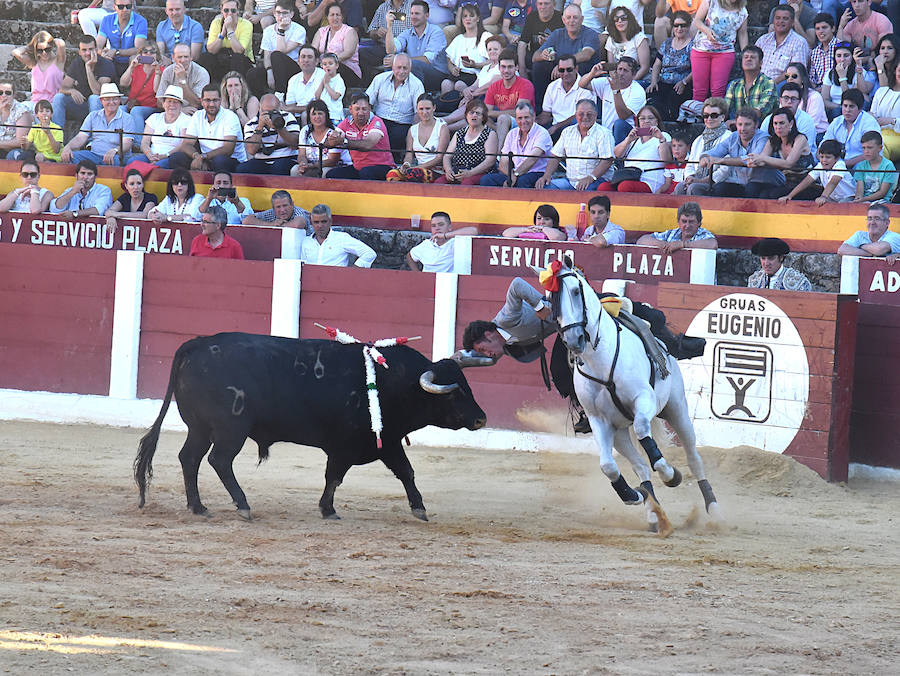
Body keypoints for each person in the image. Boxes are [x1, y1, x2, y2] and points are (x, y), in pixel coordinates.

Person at [462, 275, 705, 434]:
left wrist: (540, 307)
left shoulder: (505, 318)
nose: (489, 356)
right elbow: (476, 356)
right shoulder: (501, 341)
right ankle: (588, 413)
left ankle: (677, 345)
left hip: (572, 310)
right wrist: (456, 361)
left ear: (488, 334)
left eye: (484, 349)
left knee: (633, 312)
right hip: (566, 329)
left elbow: (516, 284)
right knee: (561, 371)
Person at [531, 4, 601, 111]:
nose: (571, 21)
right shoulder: (557, 34)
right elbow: (535, 56)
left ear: (582, 19)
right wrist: (543, 55)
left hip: (584, 74)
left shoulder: (590, 34)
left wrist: (562, 65)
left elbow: (586, 54)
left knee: (579, 66)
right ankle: (541, 111)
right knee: (539, 66)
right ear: (563, 20)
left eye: (575, 17)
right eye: (568, 17)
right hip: (561, 71)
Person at [535, 98, 614, 190]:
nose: (585, 117)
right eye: (581, 114)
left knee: (586, 190)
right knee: (545, 187)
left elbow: (607, 161)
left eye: (589, 114)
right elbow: (555, 157)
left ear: (596, 115)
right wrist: (547, 175)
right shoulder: (567, 132)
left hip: (596, 180)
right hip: (570, 181)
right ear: (576, 115)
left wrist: (591, 177)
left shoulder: (604, 133)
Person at [694, 106, 771, 197]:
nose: (743, 129)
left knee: (751, 188)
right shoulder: (733, 137)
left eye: (747, 124)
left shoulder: (763, 137)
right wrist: (705, 157)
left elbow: (752, 159)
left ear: (756, 125)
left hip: (766, 184)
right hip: (742, 183)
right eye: (740, 124)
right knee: (719, 188)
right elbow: (714, 152)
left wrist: (722, 160)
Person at [171, 83, 247, 172]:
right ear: (202, 101)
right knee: (176, 158)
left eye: (215, 100)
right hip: (205, 159)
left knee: (219, 161)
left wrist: (204, 157)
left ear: (220, 101)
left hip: (231, 160)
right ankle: (186, 184)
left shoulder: (230, 116)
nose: (211, 104)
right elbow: (186, 144)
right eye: (207, 100)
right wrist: (196, 156)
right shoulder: (197, 115)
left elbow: (228, 149)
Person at [60, 83, 139, 166]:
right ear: (101, 101)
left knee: (114, 160)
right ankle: (80, 179)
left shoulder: (127, 118)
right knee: (72, 157)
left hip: (116, 156)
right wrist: (68, 146)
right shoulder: (93, 116)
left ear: (119, 100)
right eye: (107, 99)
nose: (111, 102)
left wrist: (115, 150)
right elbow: (81, 137)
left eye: (115, 99)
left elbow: (127, 143)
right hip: (94, 155)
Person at [599, 104, 672, 194]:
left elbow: (666, 161)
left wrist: (661, 139)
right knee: (604, 187)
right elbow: (616, 155)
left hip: (649, 179)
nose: (646, 121)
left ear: (656, 121)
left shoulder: (664, 135)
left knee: (625, 187)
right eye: (643, 118)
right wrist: (627, 140)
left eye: (650, 118)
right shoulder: (634, 139)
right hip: (628, 176)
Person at [366, 53, 425, 161]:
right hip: (380, 119)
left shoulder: (417, 84)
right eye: (398, 67)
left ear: (410, 68)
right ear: (392, 67)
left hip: (402, 123)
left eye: (405, 68)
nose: (401, 71)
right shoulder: (380, 79)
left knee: (396, 137)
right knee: (374, 133)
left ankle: (387, 162)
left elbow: (419, 112)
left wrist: (415, 133)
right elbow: (367, 102)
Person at [745, 106, 813, 199]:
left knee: (773, 194)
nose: (778, 127)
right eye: (775, 123)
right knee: (753, 189)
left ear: (791, 123)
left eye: (782, 123)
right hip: (786, 185)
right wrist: (753, 161)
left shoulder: (800, 138)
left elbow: (789, 163)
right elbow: (762, 159)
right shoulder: (773, 141)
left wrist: (762, 158)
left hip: (806, 186)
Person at [480, 100, 552, 187]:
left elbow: (532, 159)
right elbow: (503, 162)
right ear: (516, 119)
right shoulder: (512, 133)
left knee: (522, 181)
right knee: (486, 180)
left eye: (526, 117)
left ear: (533, 117)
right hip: (515, 173)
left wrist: (515, 175)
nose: (523, 121)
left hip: (537, 173)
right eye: (520, 118)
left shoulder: (542, 133)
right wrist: (511, 176)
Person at [326, 93, 396, 180]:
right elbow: (330, 141)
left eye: (364, 109)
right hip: (358, 168)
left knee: (366, 173)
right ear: (350, 109)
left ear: (370, 109)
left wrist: (344, 141)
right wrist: (333, 138)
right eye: (357, 109)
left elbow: (367, 145)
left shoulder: (377, 122)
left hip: (383, 167)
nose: (361, 113)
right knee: (332, 174)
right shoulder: (346, 122)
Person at [385, 0, 450, 92]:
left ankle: (417, 97)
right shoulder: (407, 32)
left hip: (437, 75)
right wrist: (389, 26)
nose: (413, 17)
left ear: (426, 16)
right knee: (389, 59)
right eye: (411, 13)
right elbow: (390, 50)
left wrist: (399, 61)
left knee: (412, 64)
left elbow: (427, 60)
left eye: (417, 13)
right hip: (415, 71)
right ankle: (392, 94)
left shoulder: (436, 32)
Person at [52, 35, 114, 131]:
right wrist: (71, 91)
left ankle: (95, 137)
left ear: (97, 50)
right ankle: (56, 135)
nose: (88, 53)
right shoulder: (77, 63)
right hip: (81, 105)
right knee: (58, 98)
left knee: (94, 98)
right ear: (79, 52)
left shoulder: (106, 64)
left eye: (91, 49)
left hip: (102, 107)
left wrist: (88, 68)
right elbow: (62, 88)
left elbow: (98, 92)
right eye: (84, 50)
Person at [690, 0, 748, 102]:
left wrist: (746, 53)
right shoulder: (710, 2)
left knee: (718, 91)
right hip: (701, 50)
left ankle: (717, 116)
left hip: (724, 53)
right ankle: (697, 115)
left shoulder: (742, 11)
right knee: (699, 91)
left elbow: (742, 33)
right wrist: (707, 30)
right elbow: (697, 21)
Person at [579, 56, 645, 145]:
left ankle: (618, 158)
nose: (621, 73)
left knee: (619, 124)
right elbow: (582, 84)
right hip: (605, 132)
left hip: (627, 133)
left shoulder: (638, 91)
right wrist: (592, 74)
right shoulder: (607, 82)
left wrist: (615, 90)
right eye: (619, 69)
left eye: (625, 70)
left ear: (633, 75)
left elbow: (623, 116)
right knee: (579, 120)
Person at [247, 0, 307, 97]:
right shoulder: (268, 31)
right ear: (274, 14)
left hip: (293, 70)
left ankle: (280, 95)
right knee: (253, 73)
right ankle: (262, 100)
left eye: (285, 13)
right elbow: (267, 55)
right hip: (275, 69)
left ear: (291, 14)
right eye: (278, 13)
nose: (281, 16)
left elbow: (281, 51)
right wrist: (269, 71)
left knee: (276, 55)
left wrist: (281, 30)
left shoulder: (299, 30)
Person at [676, 96, 731, 195]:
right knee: (680, 187)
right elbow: (690, 165)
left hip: (719, 183)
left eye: (713, 115)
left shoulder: (729, 137)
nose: (709, 119)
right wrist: (690, 178)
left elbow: (725, 170)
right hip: (697, 178)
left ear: (722, 117)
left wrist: (702, 181)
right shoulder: (699, 139)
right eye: (706, 116)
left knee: (694, 188)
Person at [437, 98, 499, 184]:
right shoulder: (459, 133)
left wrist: (470, 173)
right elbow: (447, 156)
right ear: (466, 115)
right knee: (439, 182)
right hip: (457, 172)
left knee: (467, 183)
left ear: (483, 117)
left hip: (479, 173)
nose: (474, 116)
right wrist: (448, 170)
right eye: (471, 112)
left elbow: (490, 160)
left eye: (478, 113)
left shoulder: (490, 134)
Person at [646, 10, 693, 122]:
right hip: (663, 82)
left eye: (683, 25)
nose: (679, 28)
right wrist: (653, 81)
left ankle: (670, 125)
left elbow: (697, 69)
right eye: (676, 25)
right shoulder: (667, 43)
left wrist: (684, 82)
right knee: (652, 96)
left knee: (674, 97)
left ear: (689, 26)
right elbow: (657, 64)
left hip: (682, 84)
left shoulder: (693, 44)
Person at [778, 138, 857, 203]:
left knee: (841, 205)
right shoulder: (820, 165)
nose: (824, 160)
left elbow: (833, 182)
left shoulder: (840, 165)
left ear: (836, 158)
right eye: (822, 157)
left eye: (828, 157)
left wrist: (823, 196)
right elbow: (807, 181)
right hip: (833, 198)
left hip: (849, 197)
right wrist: (790, 196)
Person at [237, 93, 300, 175]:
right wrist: (259, 127)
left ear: (279, 109)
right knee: (242, 169)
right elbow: (251, 151)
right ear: (259, 109)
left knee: (278, 167)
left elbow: (295, 144)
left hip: (286, 158)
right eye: (266, 112)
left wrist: (279, 128)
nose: (270, 115)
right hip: (261, 160)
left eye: (273, 112)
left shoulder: (288, 117)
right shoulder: (251, 124)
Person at [485, 48, 536, 147]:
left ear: (516, 67)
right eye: (503, 67)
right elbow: (485, 113)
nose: (506, 71)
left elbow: (519, 113)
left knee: (503, 118)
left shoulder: (525, 85)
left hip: (525, 123)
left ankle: (498, 156)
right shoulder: (494, 86)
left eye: (510, 67)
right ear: (499, 68)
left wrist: (492, 113)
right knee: (479, 119)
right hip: (502, 124)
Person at [393, 93, 449, 182]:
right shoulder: (413, 129)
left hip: (437, 171)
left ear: (434, 108)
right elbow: (409, 154)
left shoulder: (442, 127)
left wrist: (417, 168)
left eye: (428, 108)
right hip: (417, 170)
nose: (424, 112)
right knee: (392, 175)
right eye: (421, 109)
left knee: (413, 174)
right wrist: (406, 164)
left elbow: (439, 158)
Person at [537, 53, 593, 141]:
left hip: (575, 129)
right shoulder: (552, 86)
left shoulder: (586, 88)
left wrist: (556, 127)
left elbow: (581, 116)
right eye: (562, 70)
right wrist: (534, 122)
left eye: (569, 69)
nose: (565, 73)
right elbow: (546, 114)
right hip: (554, 128)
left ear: (576, 69)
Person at [197, 0, 255, 83]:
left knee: (237, 58)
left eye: (233, 10)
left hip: (241, 58)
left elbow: (239, 51)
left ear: (238, 11)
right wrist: (223, 33)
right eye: (226, 10)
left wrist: (230, 30)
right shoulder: (216, 23)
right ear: (221, 10)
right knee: (206, 58)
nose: (230, 13)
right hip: (221, 56)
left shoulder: (246, 24)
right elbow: (211, 50)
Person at [301, 203, 377, 267]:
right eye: (316, 222)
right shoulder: (306, 242)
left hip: (336, 282)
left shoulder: (341, 238)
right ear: (312, 223)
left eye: (324, 222)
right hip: (312, 282)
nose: (320, 226)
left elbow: (369, 253)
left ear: (330, 222)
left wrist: (352, 272)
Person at [822, 87, 881, 167]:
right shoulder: (836, 122)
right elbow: (822, 147)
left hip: (861, 165)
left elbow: (872, 153)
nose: (847, 110)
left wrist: (843, 164)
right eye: (845, 106)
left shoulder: (869, 123)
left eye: (851, 106)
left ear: (860, 108)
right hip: (836, 165)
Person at [294, 99, 351, 177]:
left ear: (326, 115)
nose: (317, 117)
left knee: (324, 172)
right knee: (295, 170)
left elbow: (332, 160)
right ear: (309, 116)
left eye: (320, 113)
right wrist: (303, 164)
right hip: (310, 165)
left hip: (331, 167)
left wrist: (311, 165)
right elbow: (301, 154)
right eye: (314, 114)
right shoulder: (305, 130)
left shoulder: (334, 132)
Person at [360, 0, 414, 81]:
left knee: (389, 58)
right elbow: (371, 32)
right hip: (384, 47)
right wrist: (377, 32)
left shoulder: (412, 6)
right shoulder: (383, 7)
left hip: (406, 48)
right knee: (360, 52)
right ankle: (370, 82)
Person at [442, 5, 491, 94]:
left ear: (478, 19)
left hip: (476, 75)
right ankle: (446, 107)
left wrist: (475, 65)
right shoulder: (459, 38)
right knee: (446, 84)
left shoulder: (486, 36)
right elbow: (449, 59)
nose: (468, 19)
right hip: (460, 74)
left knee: (459, 85)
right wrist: (453, 69)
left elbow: (492, 61)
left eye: (471, 16)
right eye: (465, 16)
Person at [755, 4, 810, 84]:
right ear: (773, 21)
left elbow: (796, 72)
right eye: (777, 18)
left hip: (782, 86)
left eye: (785, 19)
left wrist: (770, 85)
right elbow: (753, 63)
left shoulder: (799, 43)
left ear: (792, 22)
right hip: (759, 83)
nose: (781, 21)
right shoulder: (763, 40)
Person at [406, 211, 478, 272]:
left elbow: (474, 231)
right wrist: (417, 274)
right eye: (433, 226)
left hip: (447, 283)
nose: (437, 228)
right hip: (427, 282)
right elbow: (410, 256)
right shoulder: (426, 244)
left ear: (449, 227)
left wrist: (445, 235)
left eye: (441, 225)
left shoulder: (455, 243)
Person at [311, 3, 362, 87]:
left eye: (338, 15)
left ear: (342, 17)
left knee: (329, 69)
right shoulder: (321, 31)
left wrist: (329, 62)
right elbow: (313, 51)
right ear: (327, 17)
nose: (335, 18)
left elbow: (348, 53)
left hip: (346, 69)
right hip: (324, 68)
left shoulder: (349, 31)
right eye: (332, 15)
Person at [140, 85, 192, 167]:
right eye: (169, 101)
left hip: (171, 157)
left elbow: (183, 145)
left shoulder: (186, 120)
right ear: (163, 104)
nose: (172, 105)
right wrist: (149, 154)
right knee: (132, 161)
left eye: (175, 102)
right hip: (151, 155)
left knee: (158, 166)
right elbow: (145, 142)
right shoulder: (154, 117)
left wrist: (165, 155)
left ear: (181, 105)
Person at [636, 200, 717, 252]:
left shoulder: (703, 234)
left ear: (699, 223)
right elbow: (641, 241)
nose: (687, 225)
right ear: (678, 222)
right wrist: (661, 244)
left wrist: (683, 245)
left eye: (691, 222)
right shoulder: (672, 233)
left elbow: (713, 245)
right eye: (684, 221)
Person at [821, 41, 875, 119]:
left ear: (852, 57)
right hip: (835, 109)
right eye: (839, 56)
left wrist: (842, 78)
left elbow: (849, 98)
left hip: (854, 109)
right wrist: (840, 107)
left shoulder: (859, 72)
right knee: (836, 112)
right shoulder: (830, 73)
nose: (842, 59)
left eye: (846, 55)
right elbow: (824, 100)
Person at [96, 0, 149, 79]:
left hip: (130, 59)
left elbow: (139, 49)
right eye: (120, 7)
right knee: (99, 58)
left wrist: (117, 52)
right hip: (112, 59)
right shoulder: (107, 20)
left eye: (128, 6)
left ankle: (132, 88)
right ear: (114, 7)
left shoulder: (141, 21)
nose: (125, 9)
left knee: (135, 58)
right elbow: (98, 45)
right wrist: (103, 53)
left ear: (132, 7)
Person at [12, 31, 67, 106]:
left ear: (51, 47)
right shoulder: (34, 62)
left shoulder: (59, 61)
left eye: (47, 49)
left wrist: (51, 41)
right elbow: (16, 52)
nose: (44, 53)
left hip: (53, 102)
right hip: (35, 102)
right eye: (40, 50)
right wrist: (31, 46)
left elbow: (61, 43)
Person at [155, 43, 210, 117]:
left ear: (191, 57)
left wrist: (182, 81)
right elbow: (159, 102)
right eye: (179, 57)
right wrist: (179, 110)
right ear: (173, 58)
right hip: (170, 111)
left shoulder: (201, 73)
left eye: (186, 57)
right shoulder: (168, 71)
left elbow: (197, 104)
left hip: (193, 113)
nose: (183, 60)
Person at [724, 45, 777, 121]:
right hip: (737, 127)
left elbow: (761, 111)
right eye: (746, 57)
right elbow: (725, 109)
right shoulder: (734, 84)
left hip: (760, 128)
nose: (748, 59)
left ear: (760, 63)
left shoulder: (768, 83)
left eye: (753, 57)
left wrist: (737, 121)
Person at [777, 64, 827, 140]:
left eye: (794, 76)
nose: (790, 79)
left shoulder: (815, 96)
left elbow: (812, 124)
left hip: (816, 134)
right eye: (787, 76)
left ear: (803, 79)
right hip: (790, 133)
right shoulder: (785, 96)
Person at [104, 167, 158, 234]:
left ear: (143, 185)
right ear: (126, 186)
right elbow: (108, 212)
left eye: (139, 183)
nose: (136, 187)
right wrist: (112, 217)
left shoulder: (151, 197)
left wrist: (116, 215)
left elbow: (145, 215)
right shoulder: (125, 197)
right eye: (132, 184)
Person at [120, 43, 163, 127]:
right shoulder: (136, 68)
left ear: (157, 55)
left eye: (152, 52)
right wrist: (131, 67)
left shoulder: (162, 70)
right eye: (145, 51)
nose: (148, 54)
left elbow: (156, 90)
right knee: (120, 109)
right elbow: (123, 83)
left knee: (136, 111)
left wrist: (157, 73)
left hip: (152, 107)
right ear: (141, 54)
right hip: (134, 104)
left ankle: (137, 139)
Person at [603, 7, 651, 81]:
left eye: (623, 18)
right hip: (618, 79)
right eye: (616, 19)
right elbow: (611, 67)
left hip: (636, 78)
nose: (620, 21)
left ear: (630, 20)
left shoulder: (639, 38)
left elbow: (644, 68)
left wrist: (629, 83)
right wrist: (616, 82)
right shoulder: (610, 39)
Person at [517, 0, 562, 78]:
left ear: (554, 5)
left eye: (546, 3)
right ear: (536, 5)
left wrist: (548, 43)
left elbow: (564, 46)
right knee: (511, 50)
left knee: (539, 65)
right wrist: (522, 69)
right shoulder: (532, 17)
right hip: (533, 56)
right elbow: (523, 43)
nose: (543, 7)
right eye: (540, 4)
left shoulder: (561, 19)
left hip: (552, 57)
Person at [747, 237, 813, 291]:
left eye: (771, 258)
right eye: (763, 258)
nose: (766, 263)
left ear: (781, 258)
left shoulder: (798, 281)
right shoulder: (754, 280)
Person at [852, 130, 898, 202]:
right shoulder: (861, 166)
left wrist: (863, 199)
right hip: (864, 201)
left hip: (882, 201)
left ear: (880, 148)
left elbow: (882, 192)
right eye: (864, 148)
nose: (866, 151)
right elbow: (859, 190)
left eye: (869, 148)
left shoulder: (888, 166)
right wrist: (858, 199)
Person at [156, 0, 205, 66]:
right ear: (166, 11)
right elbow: (160, 52)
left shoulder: (195, 27)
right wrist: (163, 60)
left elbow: (194, 56)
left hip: (190, 65)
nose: (174, 13)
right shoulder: (161, 26)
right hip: (167, 66)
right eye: (171, 10)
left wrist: (172, 62)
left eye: (177, 9)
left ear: (184, 10)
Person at [285, 46, 325, 122]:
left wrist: (294, 109)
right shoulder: (293, 79)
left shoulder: (323, 76)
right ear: (298, 61)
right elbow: (290, 106)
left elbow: (320, 106)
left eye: (309, 57)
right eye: (303, 57)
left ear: (316, 61)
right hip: (297, 117)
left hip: (318, 117)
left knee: (305, 115)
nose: (306, 60)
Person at [870, 60, 900, 161]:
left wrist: (892, 121)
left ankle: (877, 176)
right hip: (877, 133)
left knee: (878, 146)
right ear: (895, 71)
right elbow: (872, 114)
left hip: (897, 136)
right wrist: (871, 117)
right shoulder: (881, 91)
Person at [0, 81, 32, 161]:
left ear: (14, 95)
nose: (3, 95)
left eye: (8, 93)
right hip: (2, 148)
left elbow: (19, 142)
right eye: (1, 92)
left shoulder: (22, 110)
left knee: (13, 155)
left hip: (20, 150)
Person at [242, 189, 309, 228]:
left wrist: (279, 226)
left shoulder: (298, 211)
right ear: (273, 208)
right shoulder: (272, 213)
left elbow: (298, 224)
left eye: (285, 205)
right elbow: (246, 221)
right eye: (278, 207)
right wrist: (271, 224)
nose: (282, 210)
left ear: (292, 204)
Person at [502, 203, 567, 240]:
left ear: (554, 221)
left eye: (546, 219)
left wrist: (543, 229)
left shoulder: (561, 231)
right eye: (539, 218)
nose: (542, 222)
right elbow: (506, 234)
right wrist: (525, 229)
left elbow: (557, 237)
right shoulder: (531, 230)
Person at [809, 11, 838, 89]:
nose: (821, 31)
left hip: (836, 88)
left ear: (833, 28)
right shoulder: (815, 52)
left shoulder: (840, 47)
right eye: (817, 29)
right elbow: (812, 79)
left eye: (824, 27)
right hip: (818, 90)